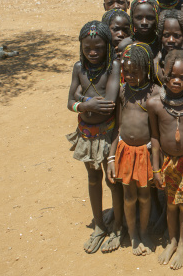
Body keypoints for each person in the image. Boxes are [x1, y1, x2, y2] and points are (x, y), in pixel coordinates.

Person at [66, 21, 123, 254]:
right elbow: (69, 102)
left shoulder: (113, 67)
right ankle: (99, 225)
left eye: (98, 48)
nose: (92, 53)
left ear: (107, 47)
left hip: (109, 133)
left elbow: (109, 106)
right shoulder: (79, 68)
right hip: (87, 135)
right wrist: (86, 104)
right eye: (87, 48)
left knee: (113, 179)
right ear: (81, 47)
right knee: (92, 177)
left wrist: (82, 100)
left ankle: (118, 227)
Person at [147, 49, 183, 270]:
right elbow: (155, 137)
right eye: (172, 76)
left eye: (182, 77)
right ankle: (172, 241)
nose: (176, 81)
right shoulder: (154, 104)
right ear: (163, 74)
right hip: (167, 162)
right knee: (170, 205)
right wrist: (156, 169)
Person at [106, 43, 160, 256]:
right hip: (125, 151)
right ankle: (132, 233)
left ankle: (144, 232)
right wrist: (111, 158)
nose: (128, 76)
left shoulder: (156, 93)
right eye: (125, 71)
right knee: (129, 195)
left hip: (145, 153)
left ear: (147, 69)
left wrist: (157, 161)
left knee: (145, 196)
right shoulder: (122, 92)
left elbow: (158, 132)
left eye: (134, 72)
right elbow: (117, 127)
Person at [153, 9, 183, 94]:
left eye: (177, 35)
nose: (171, 40)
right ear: (160, 36)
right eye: (166, 35)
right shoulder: (155, 64)